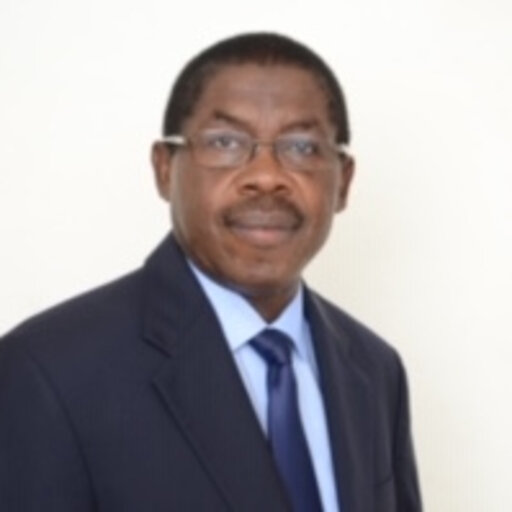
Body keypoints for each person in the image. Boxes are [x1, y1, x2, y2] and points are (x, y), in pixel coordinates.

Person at [0, 33, 421, 511]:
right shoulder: (46, 372)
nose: (267, 176)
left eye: (302, 147)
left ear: (343, 182)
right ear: (164, 169)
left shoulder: (374, 371)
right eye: (225, 142)